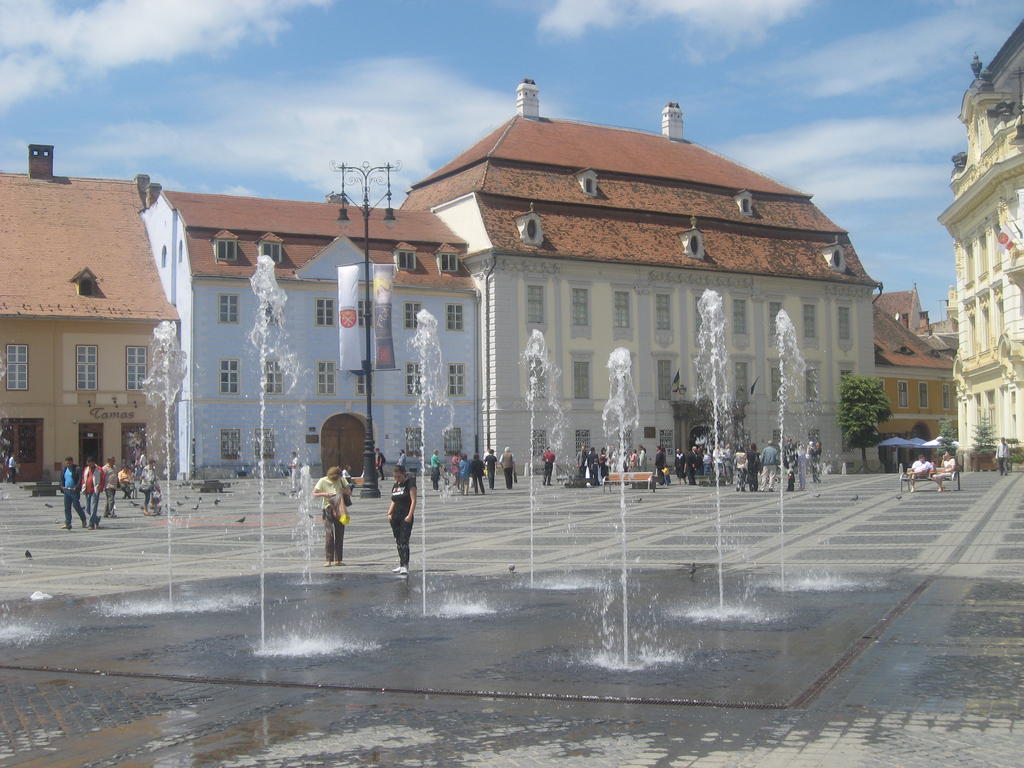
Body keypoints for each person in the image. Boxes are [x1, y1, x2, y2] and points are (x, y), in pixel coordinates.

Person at [312, 465, 350, 566]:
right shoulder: (323, 480)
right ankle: (328, 560)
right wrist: (325, 494)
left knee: (339, 533)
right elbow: (314, 493)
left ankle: (338, 560)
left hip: (339, 509)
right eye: (334, 478)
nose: (335, 480)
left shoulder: (341, 479)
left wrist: (342, 491)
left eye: (337, 478)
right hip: (328, 508)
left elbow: (349, 491)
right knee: (329, 534)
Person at [386, 464, 416, 576]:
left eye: (399, 476)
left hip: (406, 516)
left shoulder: (410, 484)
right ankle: (401, 563)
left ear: (403, 474)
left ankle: (405, 565)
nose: (397, 479)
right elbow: (393, 500)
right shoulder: (395, 486)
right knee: (397, 540)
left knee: (404, 540)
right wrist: (389, 513)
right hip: (395, 517)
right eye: (395, 477)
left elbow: (413, 500)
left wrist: (410, 515)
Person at [59, 456, 87, 530]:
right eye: (67, 463)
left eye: (69, 463)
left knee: (76, 505)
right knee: (67, 507)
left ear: (72, 462)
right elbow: (62, 479)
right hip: (66, 491)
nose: (68, 464)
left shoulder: (77, 469)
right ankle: (67, 523)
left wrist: (76, 487)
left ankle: (83, 519)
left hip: (74, 491)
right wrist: (62, 486)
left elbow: (80, 479)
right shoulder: (64, 469)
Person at [80, 457, 105, 530]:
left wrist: (100, 488)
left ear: (93, 463)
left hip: (95, 490)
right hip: (87, 491)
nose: (89, 464)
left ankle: (91, 524)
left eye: (90, 463)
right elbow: (83, 478)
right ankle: (96, 519)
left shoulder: (99, 469)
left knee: (93, 508)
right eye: (88, 463)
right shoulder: (86, 469)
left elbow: (103, 479)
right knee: (87, 509)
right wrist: (83, 486)